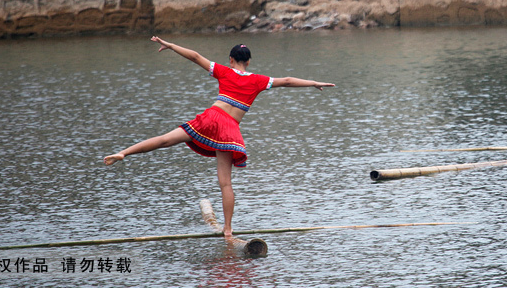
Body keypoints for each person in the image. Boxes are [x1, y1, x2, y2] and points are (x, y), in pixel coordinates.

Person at [104, 36, 335, 238]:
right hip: (229, 130)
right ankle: (227, 229)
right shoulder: (258, 80)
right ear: (249, 61)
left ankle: (124, 152)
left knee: (165, 139)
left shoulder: (224, 71)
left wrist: (171, 45)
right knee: (226, 183)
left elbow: (195, 56)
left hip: (212, 118)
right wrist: (313, 83)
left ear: (231, 60)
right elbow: (286, 81)